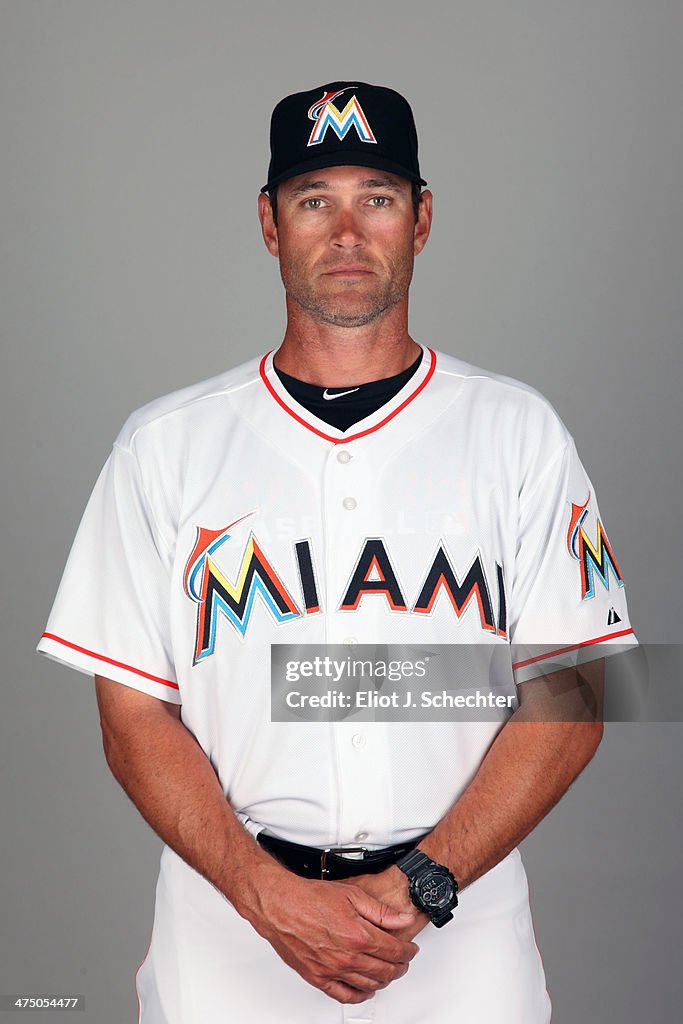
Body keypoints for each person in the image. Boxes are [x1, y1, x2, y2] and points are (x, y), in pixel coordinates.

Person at [37, 81, 637, 1023]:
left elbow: (573, 693)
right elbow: (130, 714)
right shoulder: (164, 446)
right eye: (314, 199)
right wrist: (264, 893)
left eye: (378, 197)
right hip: (227, 926)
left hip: (457, 929)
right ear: (271, 225)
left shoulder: (518, 433)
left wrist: (423, 885)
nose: (347, 232)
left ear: (422, 219)